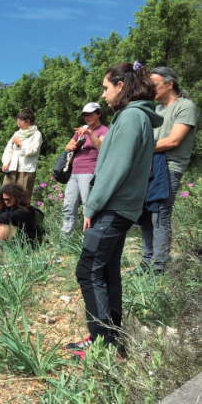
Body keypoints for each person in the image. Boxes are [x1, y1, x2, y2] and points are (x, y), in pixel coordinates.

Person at [70, 61, 163, 358]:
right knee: (107, 271)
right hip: (120, 208)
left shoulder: (131, 117)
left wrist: (92, 206)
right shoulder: (135, 117)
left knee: (88, 270)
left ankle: (103, 345)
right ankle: (111, 337)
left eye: (105, 87)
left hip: (113, 208)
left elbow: (115, 168)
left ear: (120, 86)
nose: (104, 94)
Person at [138, 67, 199, 274]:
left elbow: (173, 140)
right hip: (149, 167)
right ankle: (146, 261)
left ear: (169, 84)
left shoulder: (185, 106)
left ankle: (159, 265)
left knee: (160, 215)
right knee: (144, 215)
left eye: (153, 84)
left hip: (169, 167)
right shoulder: (155, 110)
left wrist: (139, 148)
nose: (149, 88)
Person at [61, 103, 109, 236]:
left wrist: (89, 133)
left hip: (89, 171)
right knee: (68, 205)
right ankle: (65, 236)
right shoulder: (80, 130)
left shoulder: (103, 130)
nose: (87, 117)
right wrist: (70, 147)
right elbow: (67, 146)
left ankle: (88, 236)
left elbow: (101, 147)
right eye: (85, 115)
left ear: (98, 114)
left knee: (88, 205)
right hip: (74, 171)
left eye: (90, 114)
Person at [0, 183, 43, 247]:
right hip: (10, 240)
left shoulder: (25, 210)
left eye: (8, 199)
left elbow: (8, 217)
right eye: (4, 200)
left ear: (16, 197)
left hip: (24, 241)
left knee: (1, 225)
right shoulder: (7, 208)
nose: (6, 202)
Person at [1, 107, 43, 202]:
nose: (18, 125)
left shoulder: (37, 134)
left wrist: (20, 143)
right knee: (6, 195)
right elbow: (8, 149)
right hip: (12, 169)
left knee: (22, 198)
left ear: (27, 121)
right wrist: (6, 162)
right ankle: (4, 215)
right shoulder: (17, 133)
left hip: (26, 170)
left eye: (20, 123)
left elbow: (33, 150)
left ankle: (21, 216)